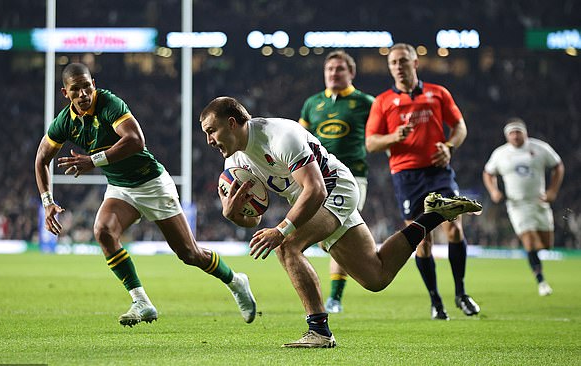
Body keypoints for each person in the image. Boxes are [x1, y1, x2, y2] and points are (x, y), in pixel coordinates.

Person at [200, 96, 482, 348]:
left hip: (335, 189)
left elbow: (316, 189)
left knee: (286, 246)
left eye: (212, 131)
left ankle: (319, 330)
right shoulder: (235, 164)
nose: (209, 141)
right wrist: (234, 214)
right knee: (376, 276)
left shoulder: (280, 135)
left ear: (233, 123)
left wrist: (282, 229)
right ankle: (433, 215)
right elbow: (256, 217)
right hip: (312, 202)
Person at [34, 63, 256, 327]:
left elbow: (136, 140)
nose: (83, 94)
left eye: (87, 86)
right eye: (76, 90)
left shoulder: (109, 104)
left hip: (151, 182)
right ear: (65, 93)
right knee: (103, 231)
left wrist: (94, 160)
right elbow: (41, 159)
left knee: (189, 254)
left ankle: (235, 281)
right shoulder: (64, 123)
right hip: (121, 188)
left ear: (93, 83)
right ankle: (141, 301)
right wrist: (47, 202)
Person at [365, 43, 480, 320]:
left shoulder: (437, 93)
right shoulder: (382, 101)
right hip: (406, 176)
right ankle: (435, 300)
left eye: (403, 61)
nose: (398, 67)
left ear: (415, 63)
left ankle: (461, 293)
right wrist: (395, 138)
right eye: (393, 63)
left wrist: (450, 146)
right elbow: (371, 143)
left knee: (454, 228)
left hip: (438, 171)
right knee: (422, 240)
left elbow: (460, 126)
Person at [298, 50, 375, 314]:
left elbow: (379, 133)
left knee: (334, 230)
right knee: (326, 237)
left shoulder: (365, 102)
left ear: (351, 73)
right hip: (318, 178)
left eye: (340, 69)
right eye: (329, 69)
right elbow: (300, 138)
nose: (333, 73)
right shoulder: (312, 103)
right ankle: (340, 289)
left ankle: (335, 298)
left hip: (352, 177)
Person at [483, 118, 564, 296]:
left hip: (539, 202)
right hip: (517, 204)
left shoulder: (540, 148)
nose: (515, 136)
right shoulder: (500, 154)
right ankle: (541, 281)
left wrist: (552, 191)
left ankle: (536, 264)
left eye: (518, 132)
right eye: (511, 133)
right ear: (506, 136)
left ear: (525, 132)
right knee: (529, 240)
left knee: (546, 244)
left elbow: (558, 166)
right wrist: (494, 191)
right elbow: (488, 173)